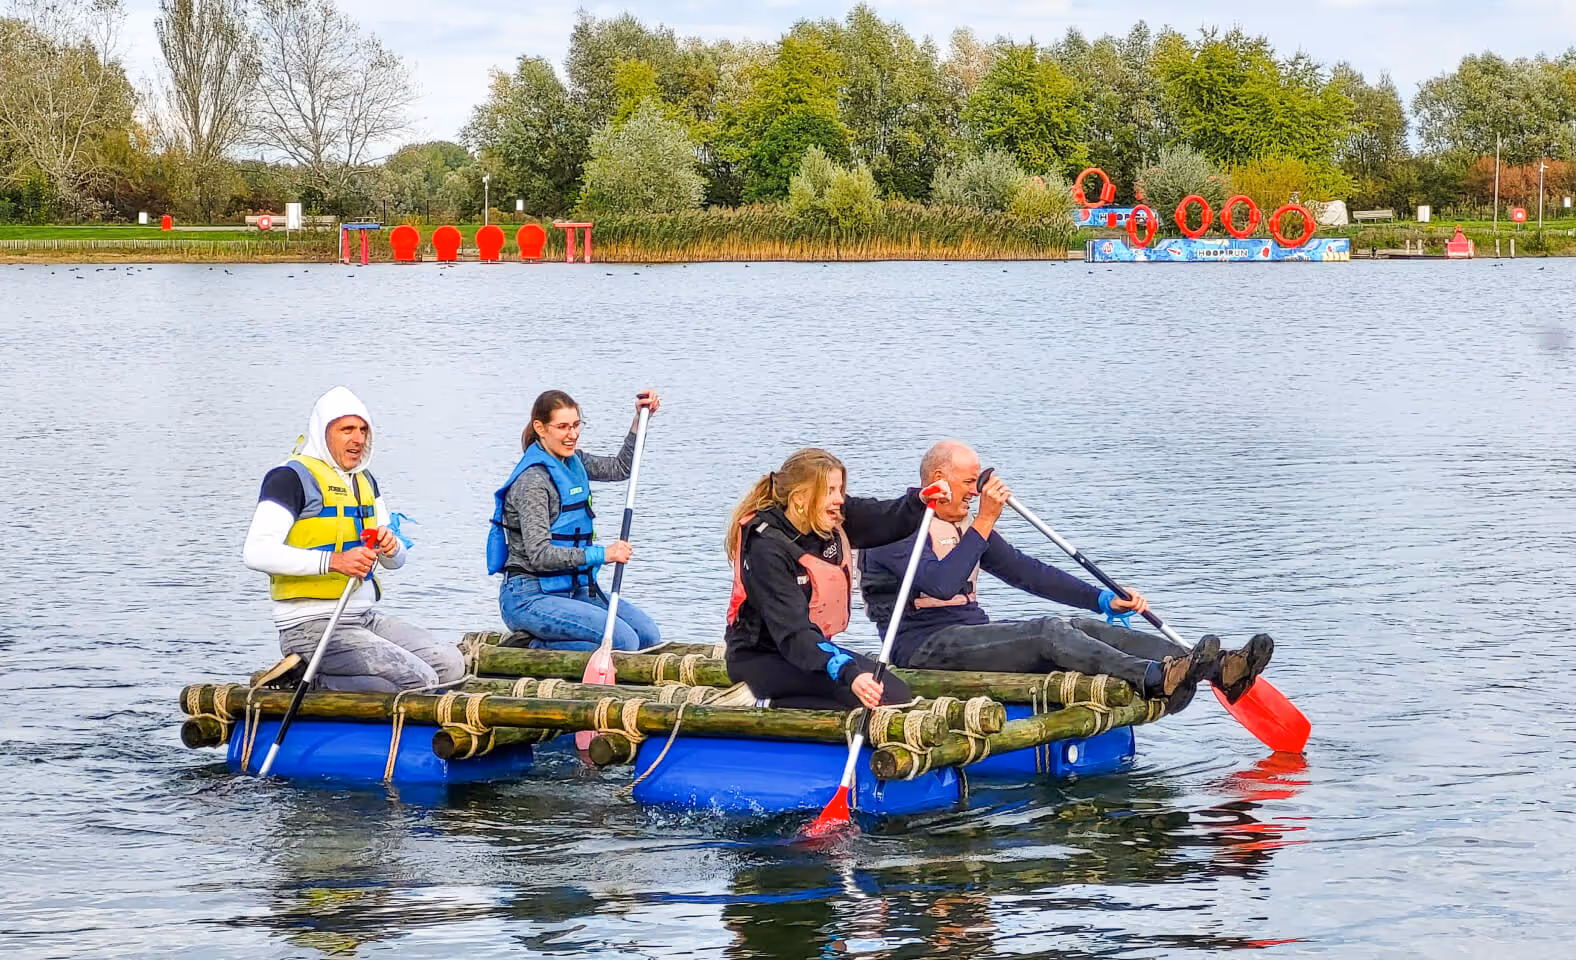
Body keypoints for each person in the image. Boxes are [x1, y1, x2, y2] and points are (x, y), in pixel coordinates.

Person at [859, 441, 1274, 712]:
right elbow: (942, 584)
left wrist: (1101, 599)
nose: (974, 492)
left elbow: (1028, 572)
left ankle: (1214, 668)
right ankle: (1152, 677)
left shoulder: (967, 526)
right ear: (938, 481)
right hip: (921, 647)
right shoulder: (894, 526)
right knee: (1048, 632)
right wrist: (985, 521)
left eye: (976, 483)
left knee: (1082, 625)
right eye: (969, 482)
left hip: (971, 635)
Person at [242, 386, 464, 692]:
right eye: (347, 429)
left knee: (450, 664)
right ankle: (305, 679)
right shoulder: (289, 478)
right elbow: (255, 553)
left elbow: (396, 561)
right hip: (309, 627)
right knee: (418, 679)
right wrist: (335, 561)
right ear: (323, 432)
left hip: (363, 618)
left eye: (363, 430)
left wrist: (391, 546)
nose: (358, 438)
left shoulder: (365, 481)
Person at [723, 447, 950, 711]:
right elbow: (794, 633)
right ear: (800, 499)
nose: (839, 499)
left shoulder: (831, 518)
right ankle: (762, 704)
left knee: (896, 692)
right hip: (764, 657)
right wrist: (849, 674)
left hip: (811, 651)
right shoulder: (766, 549)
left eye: (840, 489)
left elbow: (884, 517)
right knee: (855, 700)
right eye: (830, 491)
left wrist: (920, 501)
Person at [488, 388, 663, 651]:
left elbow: (621, 468)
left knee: (647, 635)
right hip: (529, 596)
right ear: (540, 427)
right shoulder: (533, 482)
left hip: (574, 588)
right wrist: (602, 554)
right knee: (623, 642)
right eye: (562, 427)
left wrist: (640, 420)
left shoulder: (575, 461)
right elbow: (540, 555)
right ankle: (532, 647)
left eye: (576, 425)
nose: (572, 435)